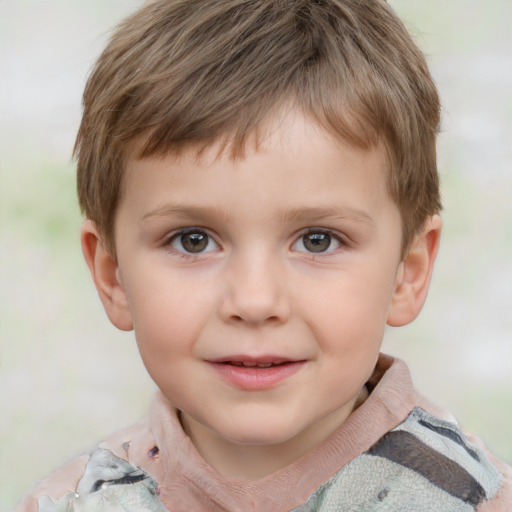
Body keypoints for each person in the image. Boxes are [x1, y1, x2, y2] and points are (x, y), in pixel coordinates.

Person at [16, 0, 512, 510]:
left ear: (407, 274)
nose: (254, 301)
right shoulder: (72, 503)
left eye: (317, 240)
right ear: (112, 275)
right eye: (193, 239)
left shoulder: (473, 499)